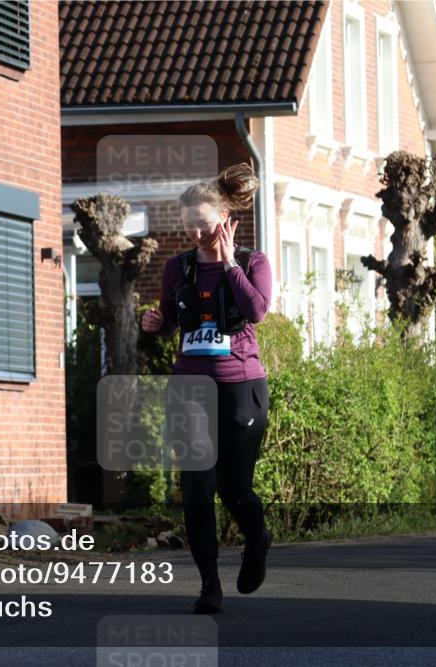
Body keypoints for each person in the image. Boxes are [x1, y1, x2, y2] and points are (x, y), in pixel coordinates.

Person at [141, 163, 272, 615]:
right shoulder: (177, 269)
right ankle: (209, 584)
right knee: (197, 486)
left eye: (204, 224)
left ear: (224, 218)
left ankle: (257, 540)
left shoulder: (254, 262)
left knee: (236, 489)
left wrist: (230, 262)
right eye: (189, 226)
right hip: (189, 389)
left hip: (241, 387)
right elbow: (170, 318)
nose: (197, 233)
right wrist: (154, 324)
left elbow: (256, 311)